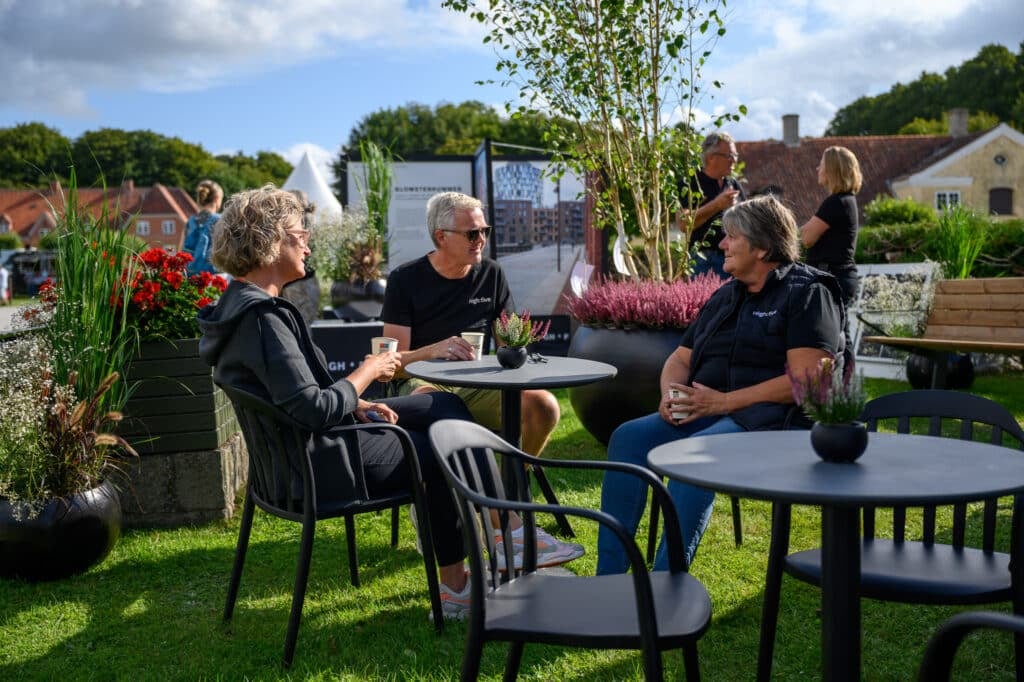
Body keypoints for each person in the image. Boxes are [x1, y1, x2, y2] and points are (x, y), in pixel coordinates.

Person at [197, 185, 475, 620]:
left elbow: (300, 398)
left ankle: (474, 530)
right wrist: (370, 370)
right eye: (299, 232)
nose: (308, 240)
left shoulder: (241, 307)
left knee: (445, 408)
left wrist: (358, 405)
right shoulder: (263, 320)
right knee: (444, 445)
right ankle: (458, 586)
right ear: (269, 241)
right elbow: (313, 409)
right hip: (323, 466)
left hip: (301, 455)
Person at [597, 195, 846, 574]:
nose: (722, 245)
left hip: (775, 424)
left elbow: (808, 380)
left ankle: (667, 583)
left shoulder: (808, 293)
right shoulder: (725, 295)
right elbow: (680, 359)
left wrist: (725, 403)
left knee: (697, 452)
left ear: (762, 247)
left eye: (731, 237)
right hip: (712, 413)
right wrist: (671, 393)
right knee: (629, 437)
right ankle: (609, 577)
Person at [381, 191, 583, 568]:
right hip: (421, 382)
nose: (481, 241)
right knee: (447, 410)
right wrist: (432, 351)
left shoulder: (491, 273)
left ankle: (496, 496)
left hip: (478, 379)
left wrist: (517, 347)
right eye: (471, 234)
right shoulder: (406, 280)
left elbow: (508, 338)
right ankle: (507, 528)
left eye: (484, 231)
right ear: (441, 236)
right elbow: (390, 363)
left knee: (544, 406)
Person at [799, 145, 863, 308]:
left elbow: (805, 238)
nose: (818, 168)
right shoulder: (847, 201)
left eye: (822, 165)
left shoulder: (836, 202)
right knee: (840, 331)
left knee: (830, 332)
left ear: (832, 170)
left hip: (831, 279)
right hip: (839, 278)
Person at [678, 131, 747, 277]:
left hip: (735, 258)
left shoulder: (733, 184)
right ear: (711, 157)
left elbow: (749, 223)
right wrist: (716, 205)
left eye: (735, 156)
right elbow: (684, 224)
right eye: (729, 156)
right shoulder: (690, 183)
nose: (734, 160)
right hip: (703, 260)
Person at [183, 179, 224, 277]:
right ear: (217, 198)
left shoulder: (190, 221)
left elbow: (183, 250)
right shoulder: (220, 220)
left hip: (190, 276)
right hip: (214, 277)